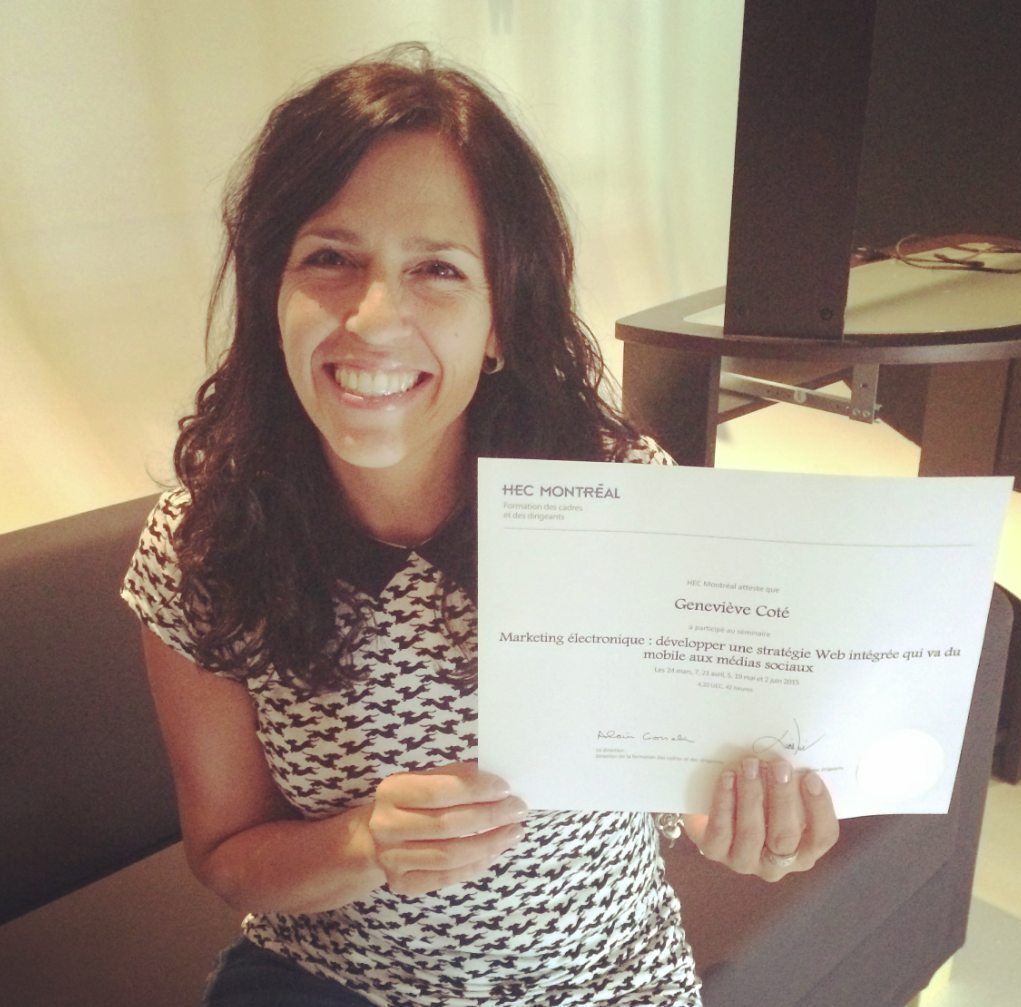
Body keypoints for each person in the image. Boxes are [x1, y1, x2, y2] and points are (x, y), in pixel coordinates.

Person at [122, 43, 839, 1007]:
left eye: (438, 269)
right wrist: (364, 842)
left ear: (502, 319)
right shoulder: (201, 547)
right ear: (270, 293)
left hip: (595, 979)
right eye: (330, 258)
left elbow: (690, 779)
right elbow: (225, 857)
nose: (373, 317)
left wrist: (758, 819)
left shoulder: (613, 495)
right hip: (331, 978)